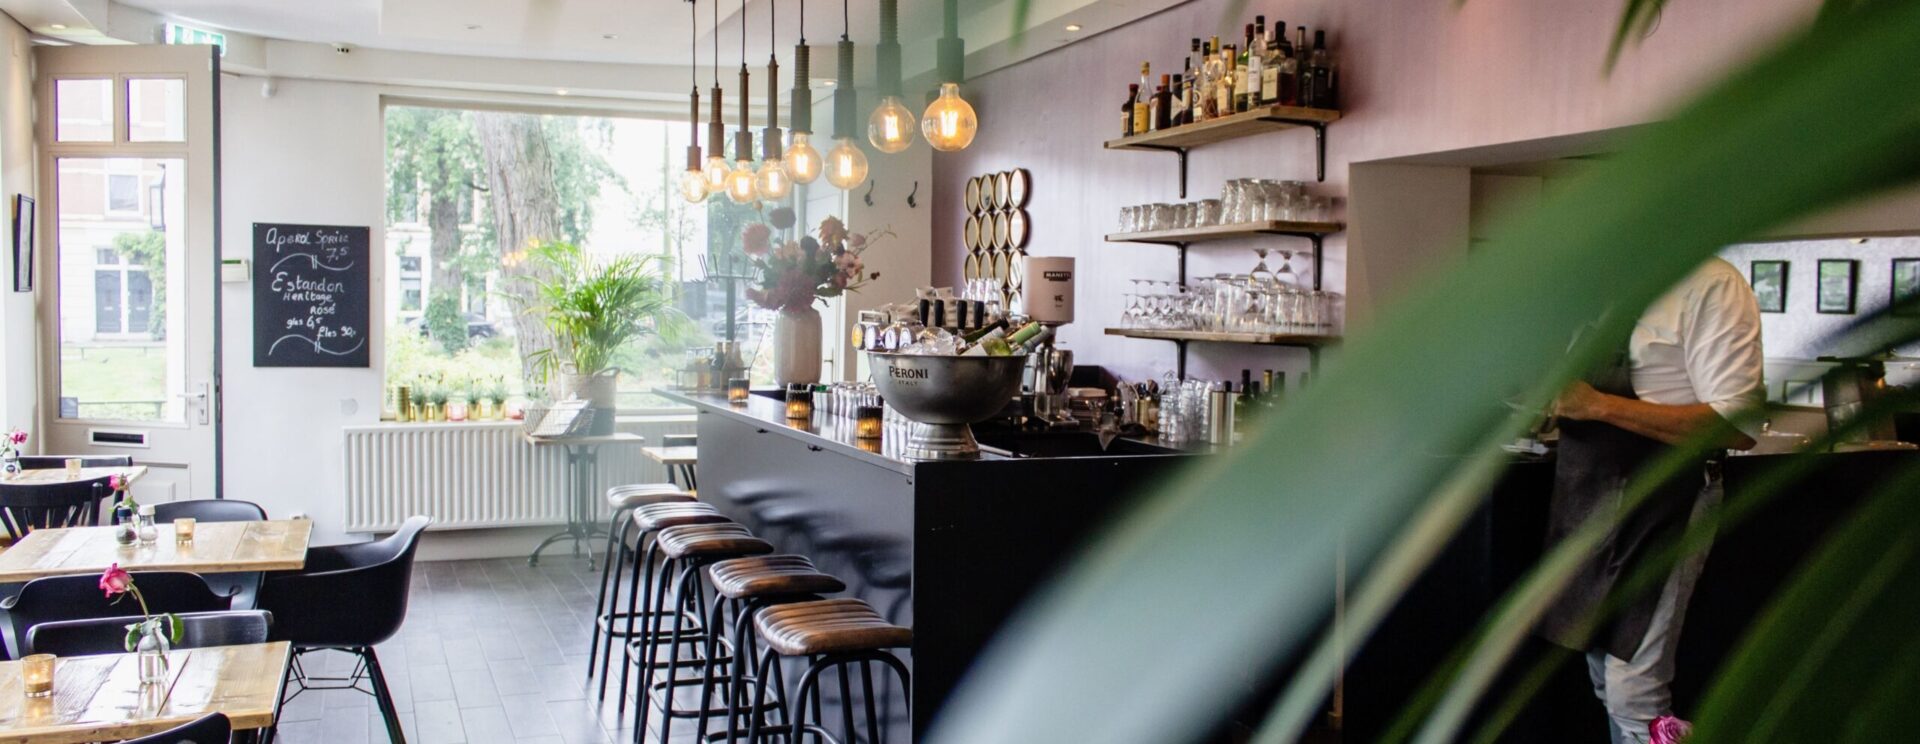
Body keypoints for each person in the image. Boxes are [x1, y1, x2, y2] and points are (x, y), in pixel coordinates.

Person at [1539, 257, 1764, 744]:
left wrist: (1598, 406)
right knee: (1603, 675)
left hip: (1666, 500)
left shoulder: (1711, 284)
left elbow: (1736, 425)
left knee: (1634, 693)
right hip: (1589, 497)